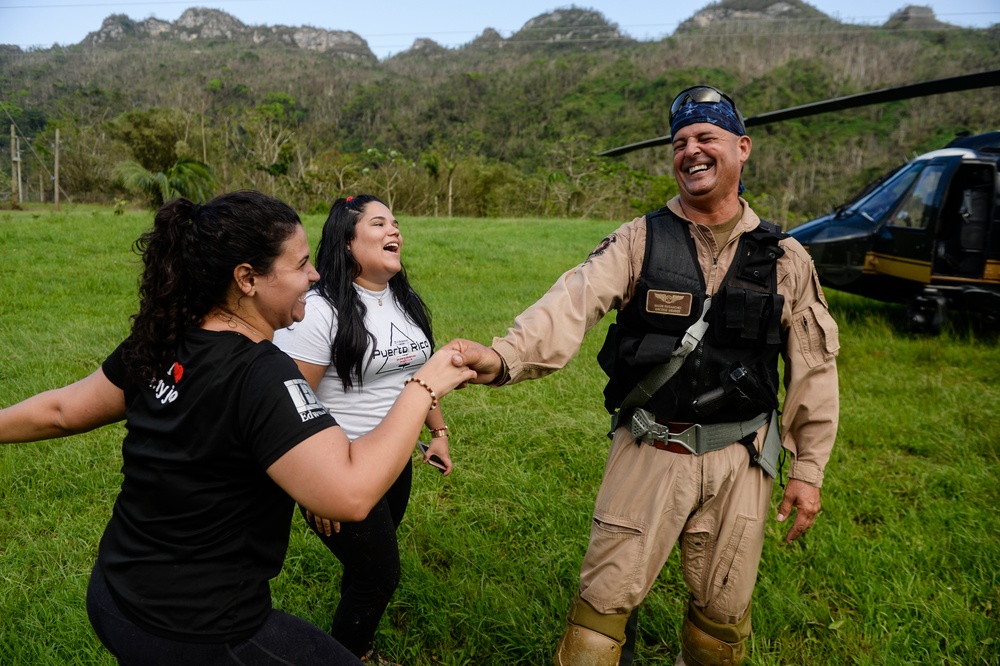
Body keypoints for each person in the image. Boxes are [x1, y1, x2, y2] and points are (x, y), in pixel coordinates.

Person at [446, 86, 840, 666]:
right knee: (595, 629)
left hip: (742, 460)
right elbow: (572, 301)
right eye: (680, 143)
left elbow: (814, 366)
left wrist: (807, 470)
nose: (691, 151)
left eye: (706, 138)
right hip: (651, 442)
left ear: (742, 148)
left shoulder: (785, 257)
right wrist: (503, 355)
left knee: (720, 625)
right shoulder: (639, 240)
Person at [0, 191, 475, 666]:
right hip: (198, 628)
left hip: (112, 593)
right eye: (301, 265)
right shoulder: (262, 374)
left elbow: (61, 410)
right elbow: (348, 495)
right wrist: (424, 385)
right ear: (248, 279)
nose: (315, 275)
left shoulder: (167, 337)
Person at [273, 194, 451, 665]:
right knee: (380, 575)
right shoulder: (319, 311)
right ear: (348, 243)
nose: (395, 231)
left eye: (396, 222)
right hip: (342, 466)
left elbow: (415, 375)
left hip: (393, 462)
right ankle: (354, 655)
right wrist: (318, 485)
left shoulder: (403, 299)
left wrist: (438, 432)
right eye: (379, 223)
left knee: (366, 566)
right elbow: (291, 403)